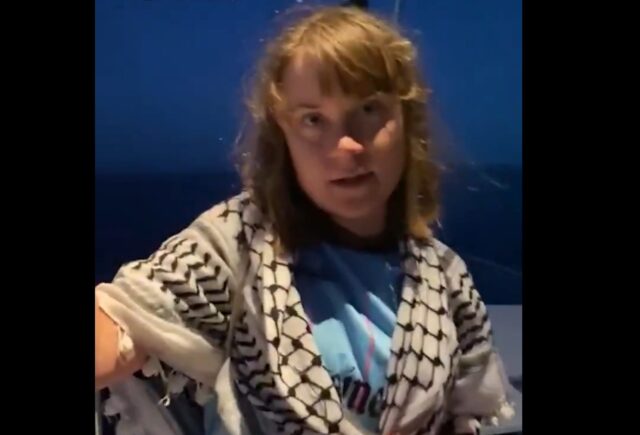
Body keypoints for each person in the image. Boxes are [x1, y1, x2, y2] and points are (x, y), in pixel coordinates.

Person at [95, 5, 514, 435]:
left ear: (406, 122)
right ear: (284, 137)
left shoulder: (447, 280)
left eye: (369, 109)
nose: (347, 146)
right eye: (313, 120)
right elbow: (120, 321)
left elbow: (464, 416)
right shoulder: (238, 245)